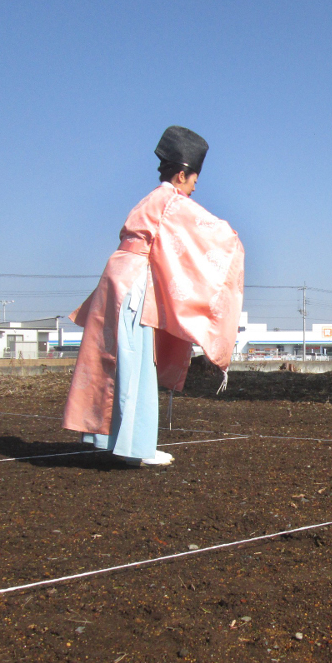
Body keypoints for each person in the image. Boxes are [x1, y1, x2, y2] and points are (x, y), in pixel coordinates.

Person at [62, 125, 244, 466]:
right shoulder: (171, 201)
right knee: (134, 362)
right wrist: (233, 241)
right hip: (134, 280)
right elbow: (216, 236)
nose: (194, 187)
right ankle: (136, 448)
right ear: (181, 174)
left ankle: (109, 438)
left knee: (112, 360)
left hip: (117, 274)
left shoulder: (151, 198)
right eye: (193, 180)